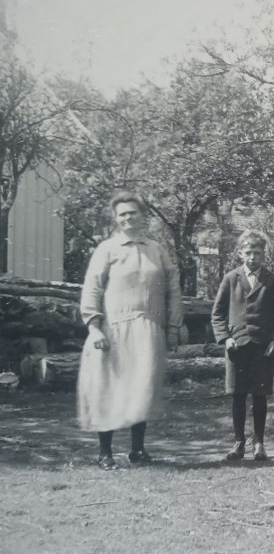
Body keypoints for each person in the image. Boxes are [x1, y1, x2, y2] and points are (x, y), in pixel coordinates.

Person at [77, 191, 184, 470]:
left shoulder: (157, 250)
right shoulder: (107, 250)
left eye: (132, 213)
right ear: (116, 219)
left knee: (142, 388)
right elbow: (92, 289)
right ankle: (105, 453)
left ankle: (137, 450)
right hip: (113, 331)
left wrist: (172, 328)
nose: (127, 218)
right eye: (122, 214)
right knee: (110, 388)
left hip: (149, 331)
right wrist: (94, 327)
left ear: (142, 215)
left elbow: (173, 290)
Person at [211, 230, 274, 462]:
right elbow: (217, 314)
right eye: (248, 253)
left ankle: (259, 443)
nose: (252, 257)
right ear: (240, 254)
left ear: (264, 255)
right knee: (237, 395)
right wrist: (226, 338)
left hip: (262, 348)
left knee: (260, 396)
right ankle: (238, 442)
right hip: (237, 347)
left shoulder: (272, 281)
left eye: (257, 252)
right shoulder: (230, 279)